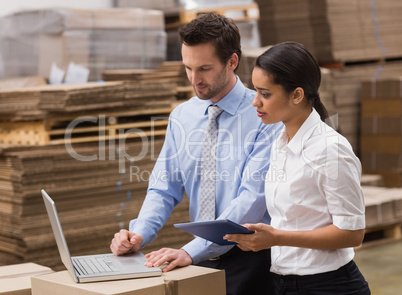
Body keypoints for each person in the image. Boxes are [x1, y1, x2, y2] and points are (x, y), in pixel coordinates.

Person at [110, 12, 283, 295]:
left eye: (204, 68)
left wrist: (193, 250)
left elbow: (252, 199)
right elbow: (164, 187)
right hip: (199, 260)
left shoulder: (263, 116)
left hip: (251, 261)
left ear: (232, 62)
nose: (194, 79)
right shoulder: (183, 116)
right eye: (188, 68)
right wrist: (138, 233)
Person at [224, 41, 371, 294]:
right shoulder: (280, 143)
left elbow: (352, 232)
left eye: (265, 93)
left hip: (329, 286)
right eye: (255, 92)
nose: (255, 102)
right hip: (284, 282)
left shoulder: (330, 149)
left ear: (297, 95)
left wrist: (277, 238)